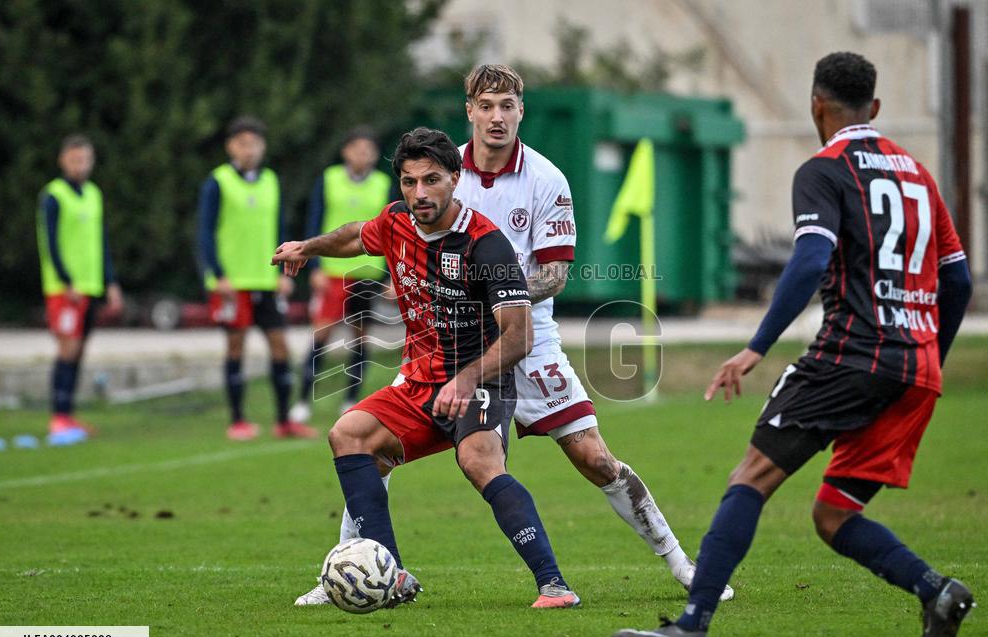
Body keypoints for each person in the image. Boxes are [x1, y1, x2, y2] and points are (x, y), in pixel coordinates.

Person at [309, 64, 731, 603]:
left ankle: (682, 565)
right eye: (486, 106)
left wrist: (489, 291)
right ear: (469, 110)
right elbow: (379, 235)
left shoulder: (546, 179)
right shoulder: (439, 169)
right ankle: (356, 572)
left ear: (521, 112)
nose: (496, 117)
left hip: (526, 339)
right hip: (444, 345)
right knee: (371, 443)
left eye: (507, 106)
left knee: (594, 458)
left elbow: (554, 275)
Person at [612, 52, 974, 637]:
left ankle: (691, 626)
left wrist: (756, 346)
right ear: (874, 107)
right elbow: (957, 280)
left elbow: (809, 259)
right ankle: (937, 591)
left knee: (750, 477)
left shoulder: (824, 170)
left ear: (816, 105)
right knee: (834, 515)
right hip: (917, 367)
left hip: (851, 355)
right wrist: (928, 353)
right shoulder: (919, 176)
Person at [275, 127, 581, 609]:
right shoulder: (397, 221)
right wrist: (307, 247)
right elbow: (355, 235)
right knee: (348, 434)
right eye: (409, 181)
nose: (419, 192)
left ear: (455, 179)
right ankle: (392, 576)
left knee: (479, 461)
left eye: (431, 180)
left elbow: (519, 336)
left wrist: (467, 378)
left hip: (480, 379)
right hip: (420, 382)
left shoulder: (486, 244)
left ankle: (554, 585)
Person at [198, 116, 316, 441]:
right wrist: (218, 275)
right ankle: (237, 420)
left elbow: (278, 229)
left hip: (267, 280)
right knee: (235, 347)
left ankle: (283, 421)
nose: (249, 149)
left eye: (254, 143)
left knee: (280, 346)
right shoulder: (218, 182)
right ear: (230, 146)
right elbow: (205, 233)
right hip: (232, 283)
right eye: (242, 143)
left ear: (262, 147)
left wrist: (283, 271)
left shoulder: (271, 181)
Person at [289, 127, 395, 422]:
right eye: (357, 148)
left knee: (360, 338)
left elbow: (391, 232)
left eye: (369, 150)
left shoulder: (383, 184)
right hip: (333, 272)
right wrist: (314, 266)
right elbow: (315, 221)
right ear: (346, 151)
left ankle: (350, 399)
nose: (363, 155)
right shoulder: (329, 179)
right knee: (321, 333)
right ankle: (303, 400)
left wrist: (390, 275)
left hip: (367, 272)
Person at [36, 134, 123, 445]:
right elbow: (50, 242)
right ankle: (58, 417)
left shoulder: (93, 194)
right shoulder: (54, 195)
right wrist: (65, 279)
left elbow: (100, 242)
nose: (80, 165)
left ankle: (68, 415)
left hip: (90, 286)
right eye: (74, 159)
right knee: (67, 349)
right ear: (63, 160)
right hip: (65, 289)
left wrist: (110, 282)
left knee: (80, 350)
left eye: (85, 159)